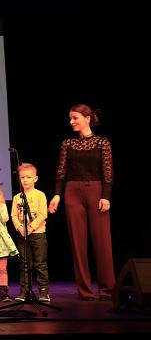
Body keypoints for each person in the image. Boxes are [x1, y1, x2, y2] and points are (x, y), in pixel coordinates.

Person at [48, 104, 114, 301]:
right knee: (78, 242)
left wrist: (106, 195)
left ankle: (107, 290)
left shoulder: (102, 142)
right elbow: (61, 171)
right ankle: (85, 291)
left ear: (87, 119)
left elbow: (108, 171)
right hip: (72, 191)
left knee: (102, 241)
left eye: (75, 118)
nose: (71, 122)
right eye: (70, 118)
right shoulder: (68, 143)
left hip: (96, 191)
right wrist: (57, 195)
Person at [10, 163, 50, 302]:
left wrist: (31, 227)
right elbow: (13, 215)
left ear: (35, 178)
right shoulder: (17, 197)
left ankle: (43, 292)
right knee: (25, 264)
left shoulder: (40, 195)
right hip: (22, 235)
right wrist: (20, 228)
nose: (25, 180)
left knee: (40, 264)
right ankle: (24, 291)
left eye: (28, 177)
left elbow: (43, 214)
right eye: (22, 177)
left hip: (38, 234)